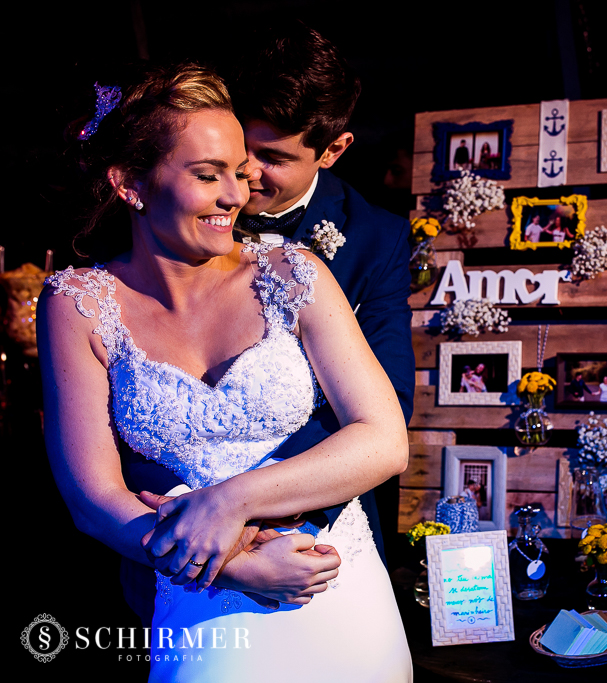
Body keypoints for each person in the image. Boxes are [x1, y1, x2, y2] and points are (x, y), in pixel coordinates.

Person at [40, 64, 412, 681]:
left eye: (239, 173)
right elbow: (92, 497)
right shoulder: (77, 303)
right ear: (131, 183)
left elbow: (384, 437)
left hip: (326, 577)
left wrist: (228, 503)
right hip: (194, 598)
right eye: (208, 175)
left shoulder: (292, 274)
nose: (237, 195)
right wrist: (231, 562)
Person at [123, 24, 414, 613]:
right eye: (240, 148)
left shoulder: (374, 239)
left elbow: (386, 411)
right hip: (162, 537)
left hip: (313, 543)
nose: (246, 174)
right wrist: (194, 518)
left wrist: (253, 510)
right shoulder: (151, 216)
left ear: (333, 151)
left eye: (274, 157)